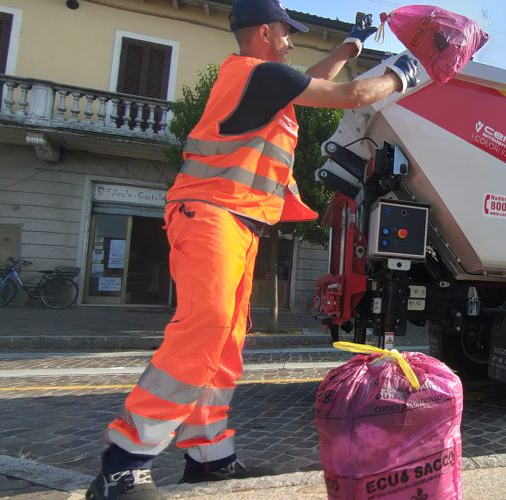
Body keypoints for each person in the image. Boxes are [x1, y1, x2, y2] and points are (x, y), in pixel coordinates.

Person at [85, 1, 420, 498]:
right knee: (204, 332)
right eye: (288, 33)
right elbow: (353, 93)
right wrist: (404, 71)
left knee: (225, 342)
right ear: (265, 31)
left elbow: (311, 78)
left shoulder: (266, 84)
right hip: (210, 216)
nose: (291, 41)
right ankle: (123, 464)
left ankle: (209, 458)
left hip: (235, 222)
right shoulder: (259, 75)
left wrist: (353, 43)